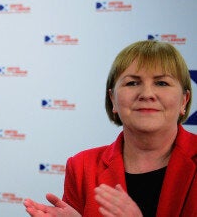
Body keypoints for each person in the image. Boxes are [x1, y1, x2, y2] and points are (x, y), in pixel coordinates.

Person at [23, 40, 195, 217]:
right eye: (132, 83)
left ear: (184, 100)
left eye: (162, 83)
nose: (147, 94)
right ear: (113, 99)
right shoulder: (82, 167)